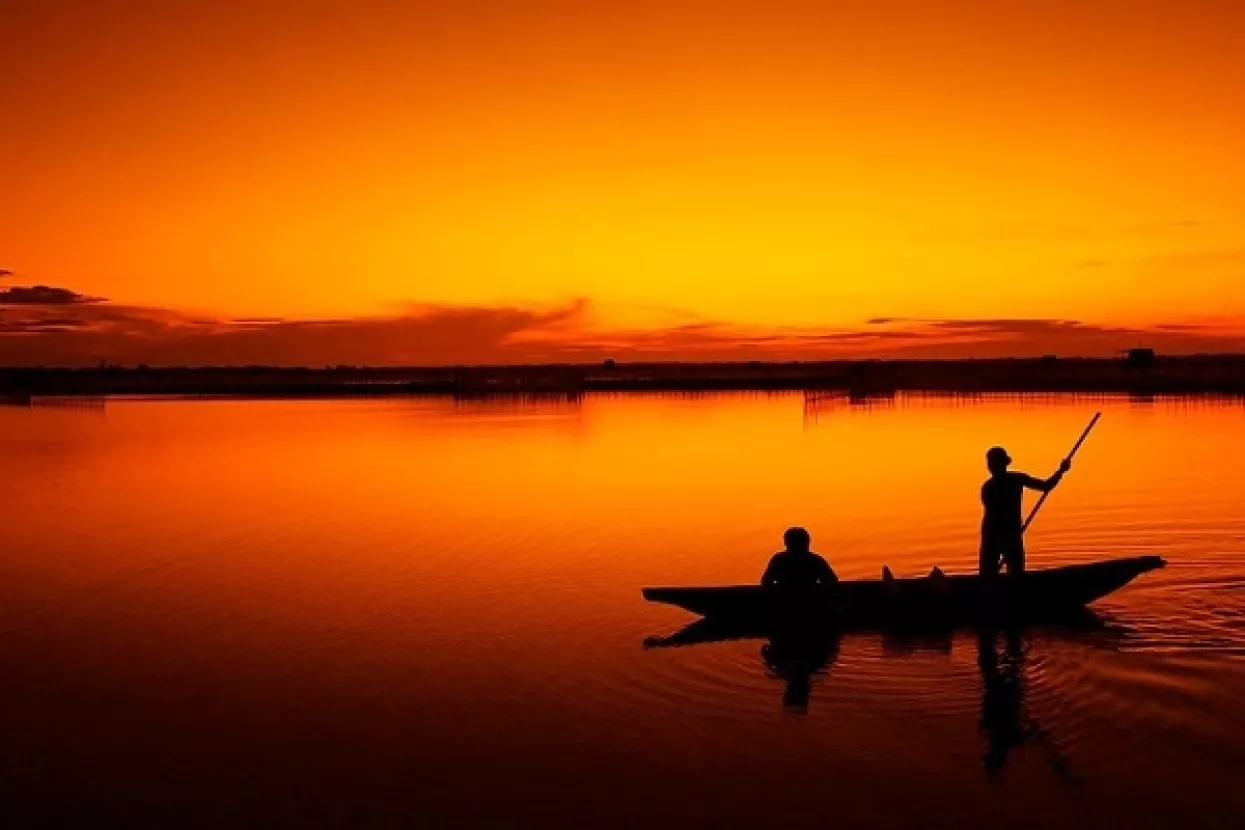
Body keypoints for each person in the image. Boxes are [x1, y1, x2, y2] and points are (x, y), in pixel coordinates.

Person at [980, 447, 1070, 580]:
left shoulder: (994, 485)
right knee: (1002, 573)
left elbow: (1045, 486)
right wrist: (1061, 471)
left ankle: (994, 585)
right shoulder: (1003, 483)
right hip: (1000, 534)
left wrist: (1061, 471)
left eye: (992, 463)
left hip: (1002, 534)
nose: (991, 467)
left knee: (1001, 573)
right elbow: (1046, 486)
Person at [761, 527, 838, 589]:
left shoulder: (779, 560)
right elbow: (831, 580)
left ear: (786, 543)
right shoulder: (815, 560)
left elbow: (766, 581)